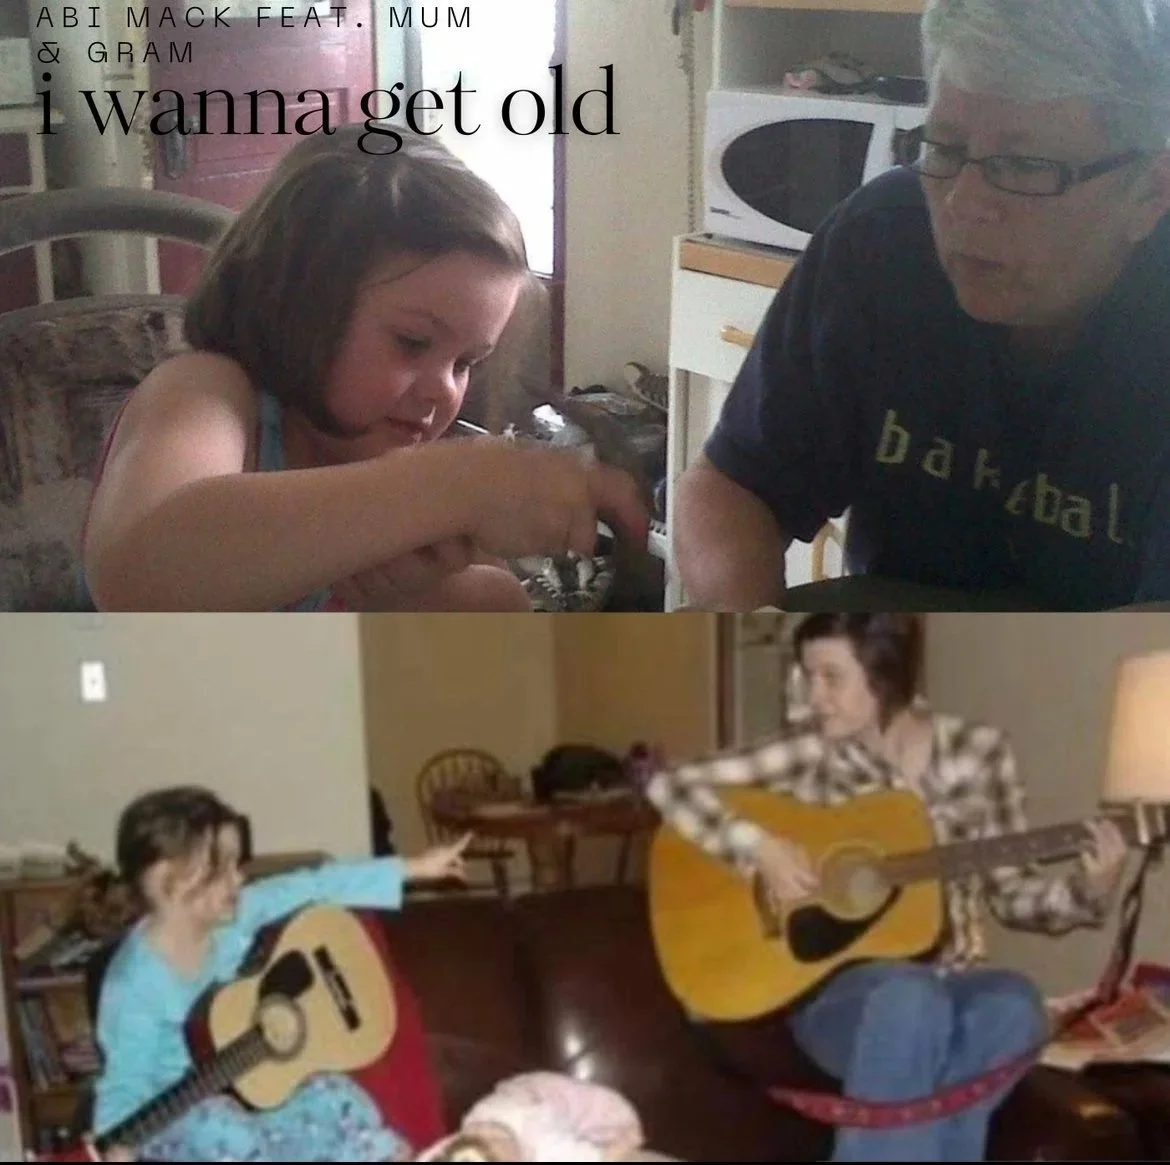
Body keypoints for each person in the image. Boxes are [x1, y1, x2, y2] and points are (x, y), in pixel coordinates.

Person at [674, 0, 1170, 612]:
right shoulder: (881, 241)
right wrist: (753, 634)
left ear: (1149, 191)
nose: (965, 202)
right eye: (946, 148)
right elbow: (730, 486)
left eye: (1025, 166)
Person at [81, 124, 647, 613]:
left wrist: (406, 590)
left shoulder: (391, 472)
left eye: (467, 363)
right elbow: (137, 573)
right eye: (411, 342)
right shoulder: (209, 390)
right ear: (296, 302)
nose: (443, 389)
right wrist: (456, 485)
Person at [644, 613, 1128, 1162]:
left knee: (1015, 1006)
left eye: (831, 677)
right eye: (808, 676)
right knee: (907, 995)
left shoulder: (977, 754)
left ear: (885, 674)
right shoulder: (811, 753)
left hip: (953, 980)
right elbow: (668, 781)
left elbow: (1013, 895)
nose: (813, 696)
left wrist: (1090, 887)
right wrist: (759, 847)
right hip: (836, 997)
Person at [92, 785, 473, 1162]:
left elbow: (315, 885)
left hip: (256, 1100)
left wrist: (413, 868)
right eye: (221, 869)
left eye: (236, 865)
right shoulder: (133, 982)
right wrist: (118, 1149)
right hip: (180, 1129)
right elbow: (123, 1087)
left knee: (334, 1093)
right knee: (219, 1122)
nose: (238, 879)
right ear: (169, 881)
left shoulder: (238, 916)